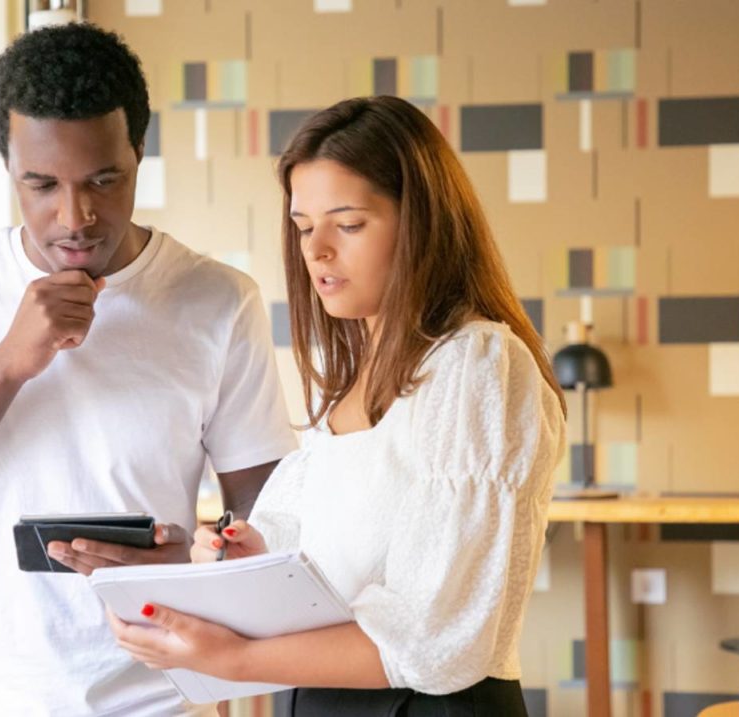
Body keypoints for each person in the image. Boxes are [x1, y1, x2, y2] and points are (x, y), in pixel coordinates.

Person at [0, 23, 296, 717]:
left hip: (156, 704)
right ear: (8, 166)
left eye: (103, 180)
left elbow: (273, 539)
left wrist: (190, 564)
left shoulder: (218, 301)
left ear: (138, 153)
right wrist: (6, 365)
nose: (75, 215)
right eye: (42, 183)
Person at [109, 95, 567, 715]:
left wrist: (228, 659)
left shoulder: (477, 363)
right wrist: (245, 557)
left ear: (422, 222)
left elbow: (435, 640)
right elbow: (321, 568)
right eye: (303, 227)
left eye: (348, 225)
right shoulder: (344, 384)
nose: (317, 250)